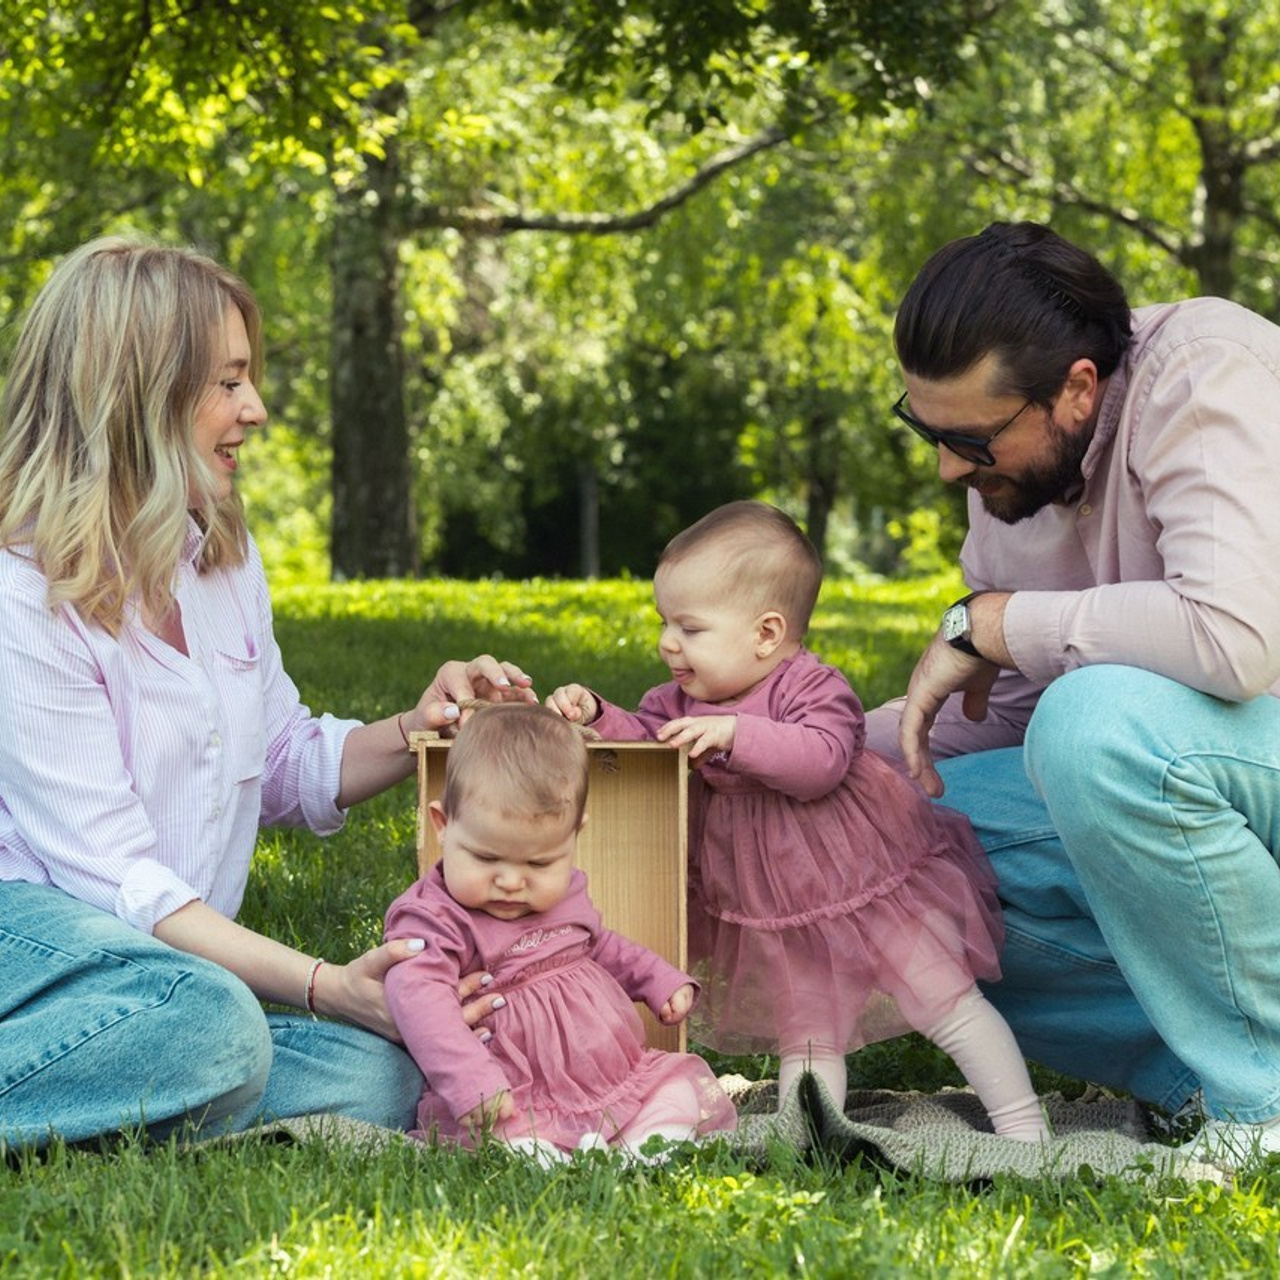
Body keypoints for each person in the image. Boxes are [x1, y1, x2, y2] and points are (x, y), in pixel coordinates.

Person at [0, 236, 535, 1151]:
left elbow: (279, 756)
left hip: (163, 975)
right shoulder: (22, 598)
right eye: (226, 382)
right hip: (45, 943)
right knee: (217, 1026)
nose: (255, 408)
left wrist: (423, 727)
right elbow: (124, 887)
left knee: (391, 1073)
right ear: (136, 394)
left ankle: (145, 1085)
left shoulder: (216, 560)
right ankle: (171, 1066)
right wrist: (329, 986)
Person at [868, 219, 1280, 1167]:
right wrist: (778, 749)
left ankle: (1261, 1103)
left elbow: (1234, 639)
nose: (946, 470)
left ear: (1078, 389)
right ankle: (1208, 1071)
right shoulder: (1013, 479)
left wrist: (999, 623)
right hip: (1209, 800)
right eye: (928, 431)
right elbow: (1003, 711)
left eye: (968, 439)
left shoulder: (1205, 371)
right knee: (876, 845)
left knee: (1093, 726)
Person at [548, 501, 1049, 1141]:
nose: (666, 643)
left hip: (865, 880)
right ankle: (808, 1139)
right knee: (807, 1027)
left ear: (766, 633)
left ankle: (1022, 1126)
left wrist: (737, 733)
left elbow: (823, 760)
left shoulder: (810, 686)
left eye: (690, 628)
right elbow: (651, 744)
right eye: (663, 623)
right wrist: (597, 714)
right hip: (776, 900)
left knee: (944, 999)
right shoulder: (676, 701)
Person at [382, 702, 737, 1160]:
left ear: (574, 835)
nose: (511, 882)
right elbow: (418, 996)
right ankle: (540, 1153)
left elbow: (599, 945)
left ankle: (636, 1143)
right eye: (486, 859)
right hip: (512, 1086)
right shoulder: (435, 915)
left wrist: (656, 977)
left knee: (680, 1093)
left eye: (539, 863)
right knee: (508, 1134)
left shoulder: (566, 893)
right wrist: (469, 1080)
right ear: (443, 826)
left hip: (610, 1078)